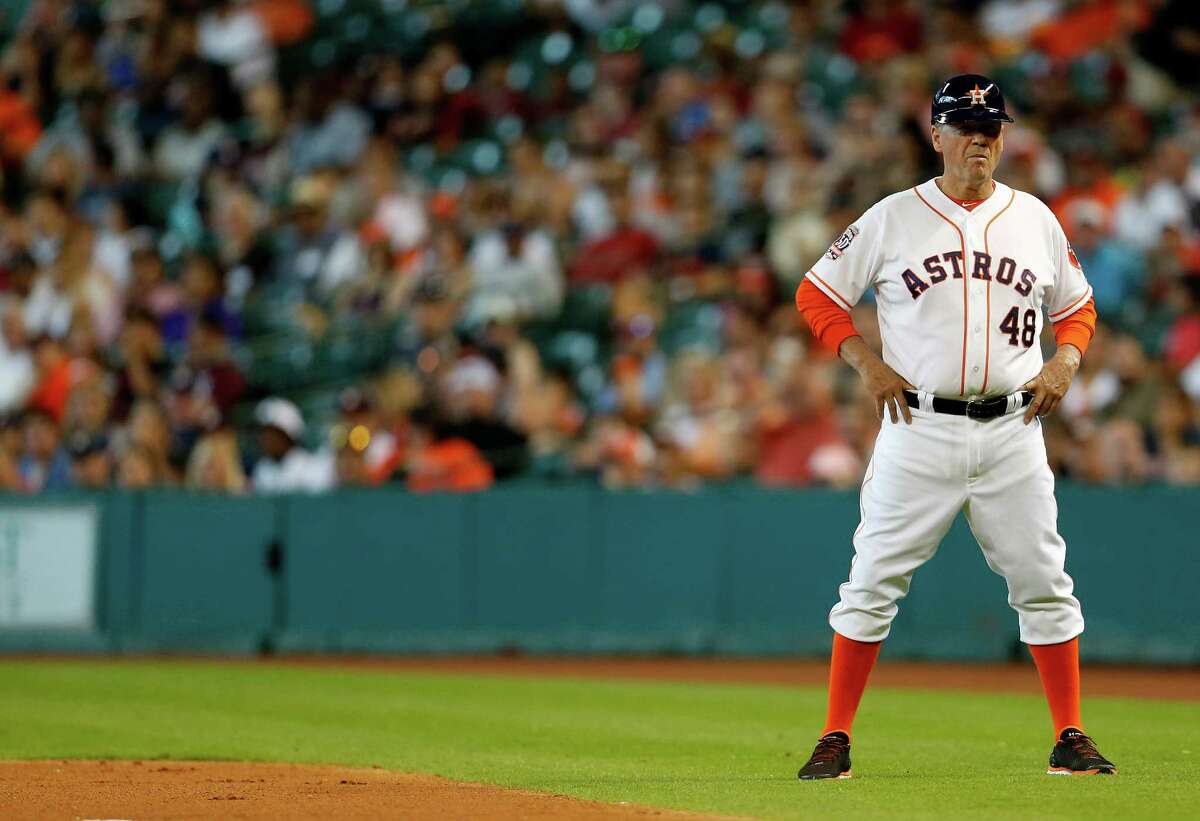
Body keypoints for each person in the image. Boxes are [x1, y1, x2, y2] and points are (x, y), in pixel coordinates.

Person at [793, 75, 1114, 779]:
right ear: (935, 135)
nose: (981, 138)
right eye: (966, 125)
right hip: (920, 423)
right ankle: (834, 735)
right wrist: (865, 362)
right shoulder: (892, 217)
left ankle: (1070, 734)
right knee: (872, 580)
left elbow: (1079, 307)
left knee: (1044, 580)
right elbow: (817, 292)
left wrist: (1065, 360)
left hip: (1013, 428)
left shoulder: (1034, 218)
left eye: (991, 125)